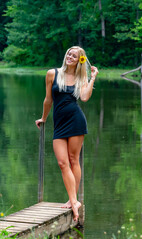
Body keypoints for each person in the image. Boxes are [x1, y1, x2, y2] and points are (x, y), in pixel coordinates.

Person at [35, 46, 98, 221]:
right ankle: (73, 200)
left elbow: (84, 97)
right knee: (63, 163)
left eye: (75, 56)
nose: (70, 56)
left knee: (73, 160)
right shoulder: (52, 73)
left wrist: (92, 78)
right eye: (69, 53)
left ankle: (73, 201)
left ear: (80, 60)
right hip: (59, 124)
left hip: (76, 121)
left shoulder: (81, 76)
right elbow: (48, 99)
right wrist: (43, 118)